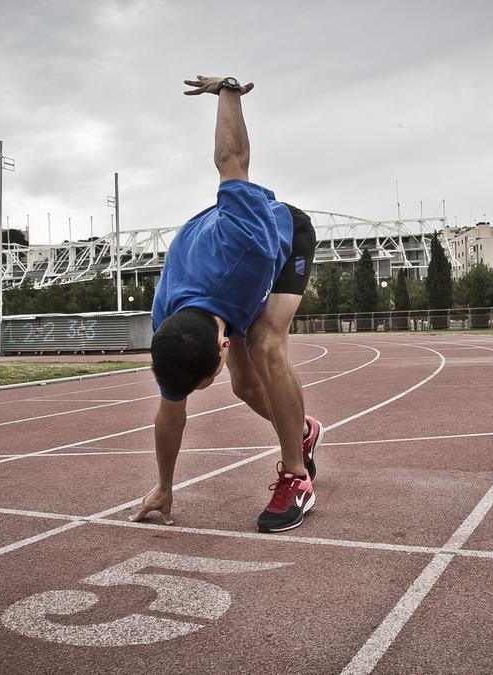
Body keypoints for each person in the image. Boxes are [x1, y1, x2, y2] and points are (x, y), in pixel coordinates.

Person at [128, 75, 324, 533]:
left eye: (202, 382)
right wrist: (164, 485)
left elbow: (230, 160)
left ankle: (296, 476)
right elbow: (170, 410)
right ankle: (304, 431)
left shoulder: (246, 238)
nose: (197, 390)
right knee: (244, 388)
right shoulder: (168, 327)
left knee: (264, 346)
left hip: (283, 238)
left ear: (220, 344)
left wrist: (228, 91)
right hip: (219, 289)